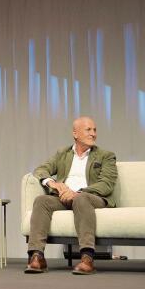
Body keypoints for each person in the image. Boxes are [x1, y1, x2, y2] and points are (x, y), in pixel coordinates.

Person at [25, 117, 118, 275]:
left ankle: (87, 258)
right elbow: (41, 169)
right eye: (88, 130)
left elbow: (106, 184)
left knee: (81, 199)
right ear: (75, 133)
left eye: (94, 130)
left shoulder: (106, 155)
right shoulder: (63, 153)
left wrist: (78, 192)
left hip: (90, 197)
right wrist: (53, 184)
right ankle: (37, 256)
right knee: (41, 200)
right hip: (63, 197)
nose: (93, 134)